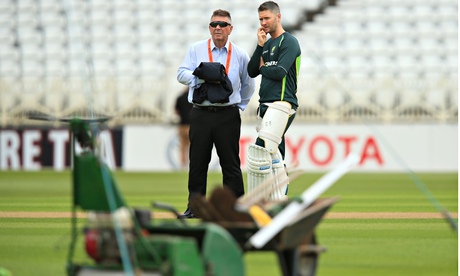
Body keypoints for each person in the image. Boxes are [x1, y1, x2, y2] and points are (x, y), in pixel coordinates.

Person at [177, 9, 256, 218]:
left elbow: (248, 84)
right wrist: (200, 78)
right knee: (198, 162)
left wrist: (238, 106)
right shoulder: (196, 49)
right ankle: (195, 207)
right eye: (213, 24)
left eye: (222, 24)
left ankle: (235, 208)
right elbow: (181, 73)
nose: (218, 28)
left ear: (230, 28)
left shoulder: (239, 54)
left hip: (227, 115)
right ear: (209, 28)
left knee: (230, 163)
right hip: (201, 113)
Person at [246, 1, 301, 201]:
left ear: (278, 17)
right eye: (260, 19)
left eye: (267, 18)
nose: (263, 22)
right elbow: (251, 71)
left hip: (282, 103)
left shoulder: (290, 41)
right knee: (274, 155)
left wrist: (263, 68)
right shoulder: (267, 43)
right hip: (265, 105)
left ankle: (257, 200)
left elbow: (278, 72)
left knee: (260, 150)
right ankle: (277, 201)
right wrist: (259, 46)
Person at [174, 88, 193, 169]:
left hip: (182, 125)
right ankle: (191, 164)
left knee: (182, 146)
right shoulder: (193, 98)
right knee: (192, 147)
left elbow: (176, 111)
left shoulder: (180, 98)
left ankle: (183, 165)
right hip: (192, 125)